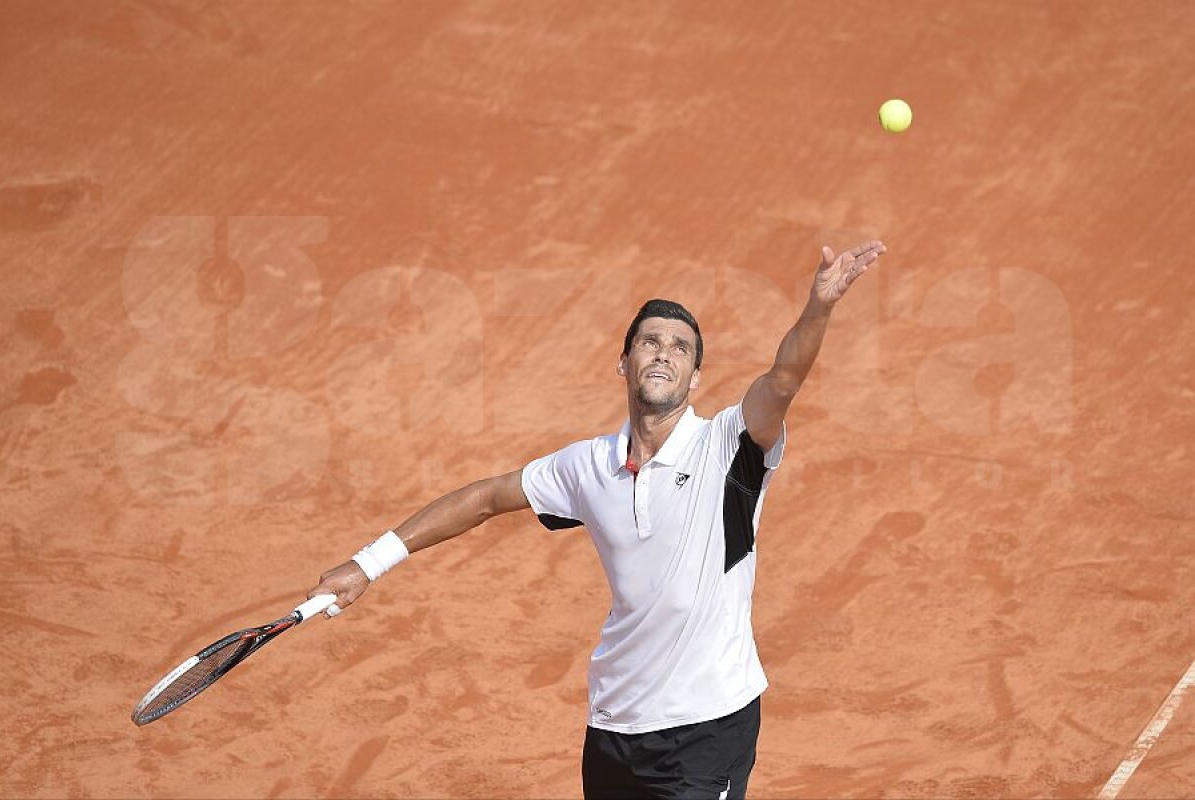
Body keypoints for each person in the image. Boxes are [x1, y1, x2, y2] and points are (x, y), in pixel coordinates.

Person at [307, 240, 887, 799]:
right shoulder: (588, 466)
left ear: (696, 380)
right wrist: (369, 563)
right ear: (623, 362)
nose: (663, 352)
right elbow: (486, 498)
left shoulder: (728, 445)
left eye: (681, 348)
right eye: (649, 342)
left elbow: (783, 378)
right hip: (613, 726)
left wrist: (819, 307)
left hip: (708, 726)